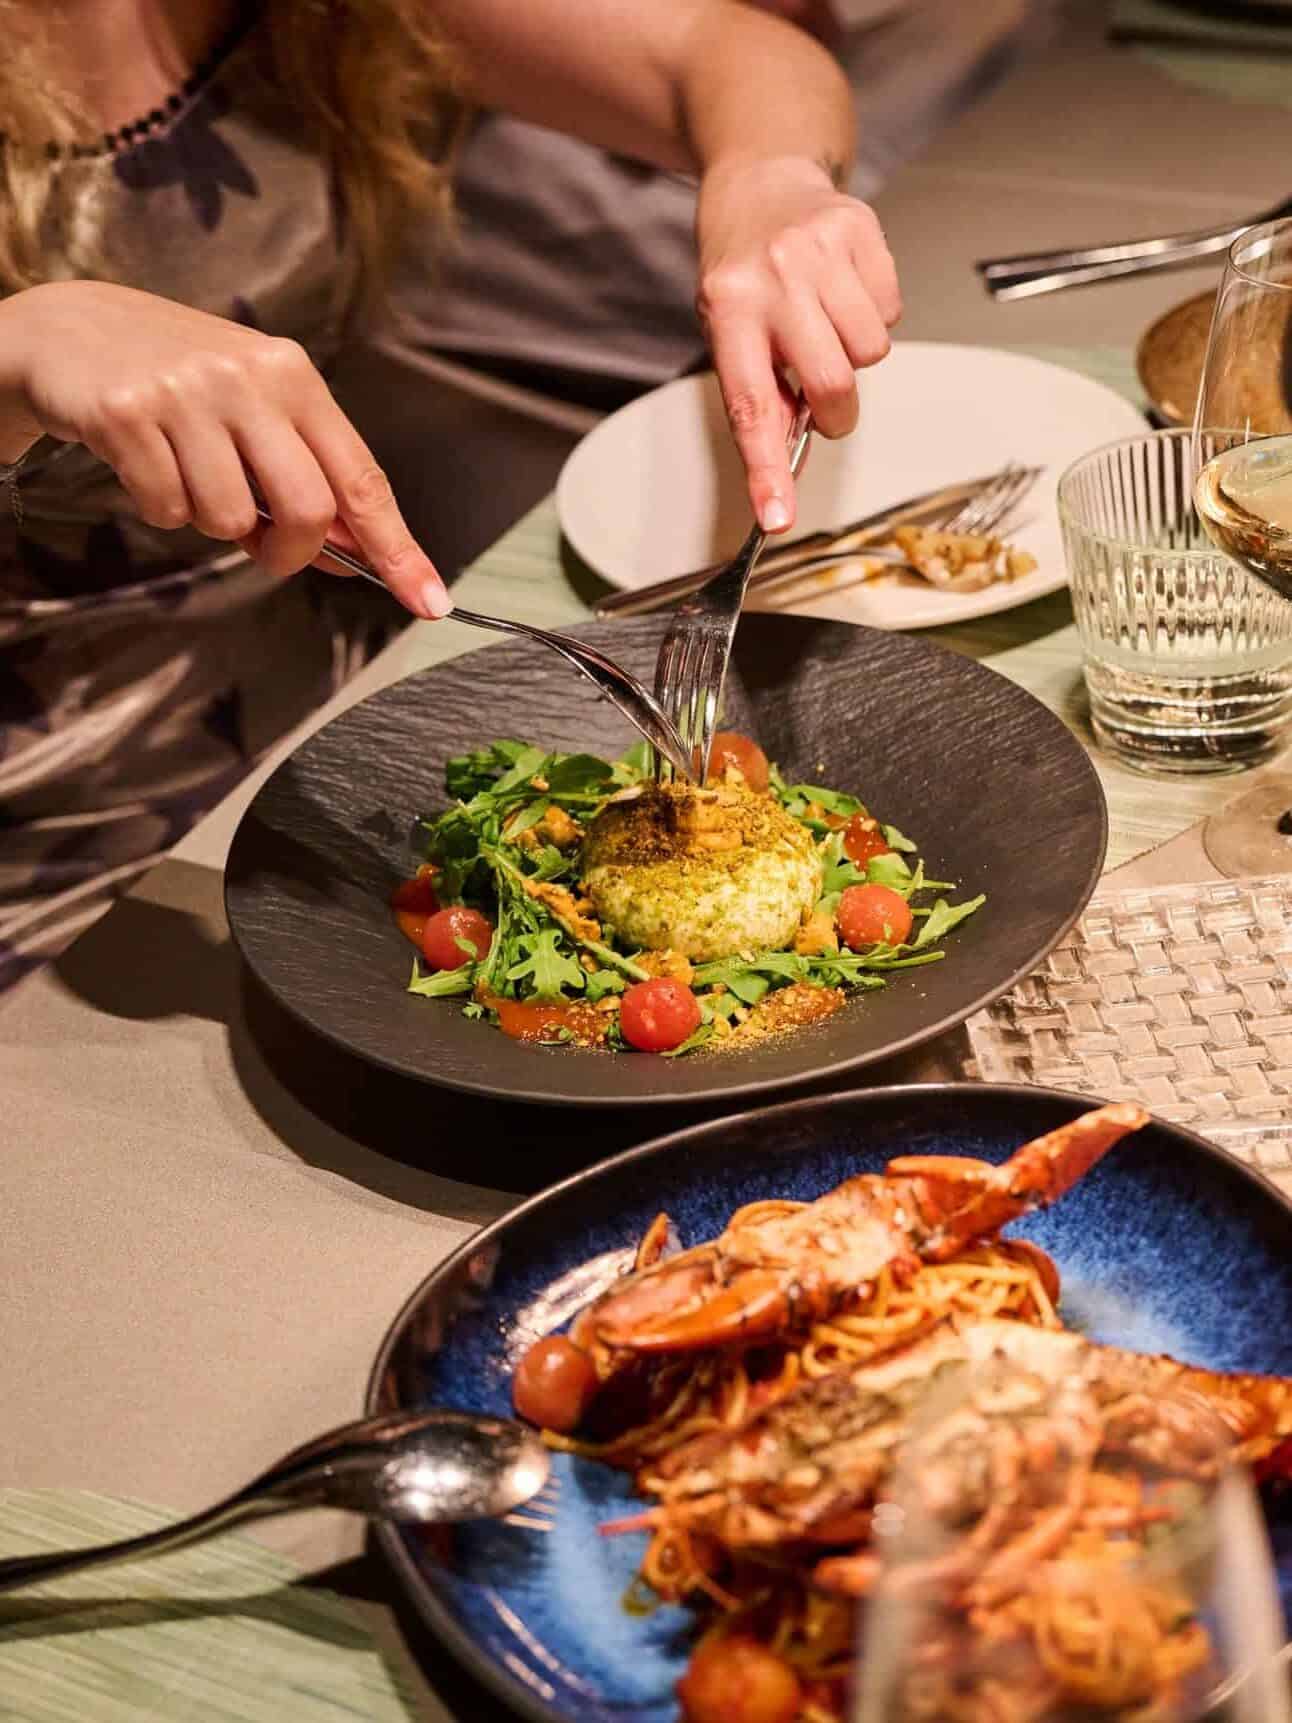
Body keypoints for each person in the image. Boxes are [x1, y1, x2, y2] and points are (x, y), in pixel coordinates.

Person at [0, 0, 900, 991]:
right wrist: (21, 347)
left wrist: (764, 179)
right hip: (50, 847)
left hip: (331, 746)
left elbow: (724, 49)